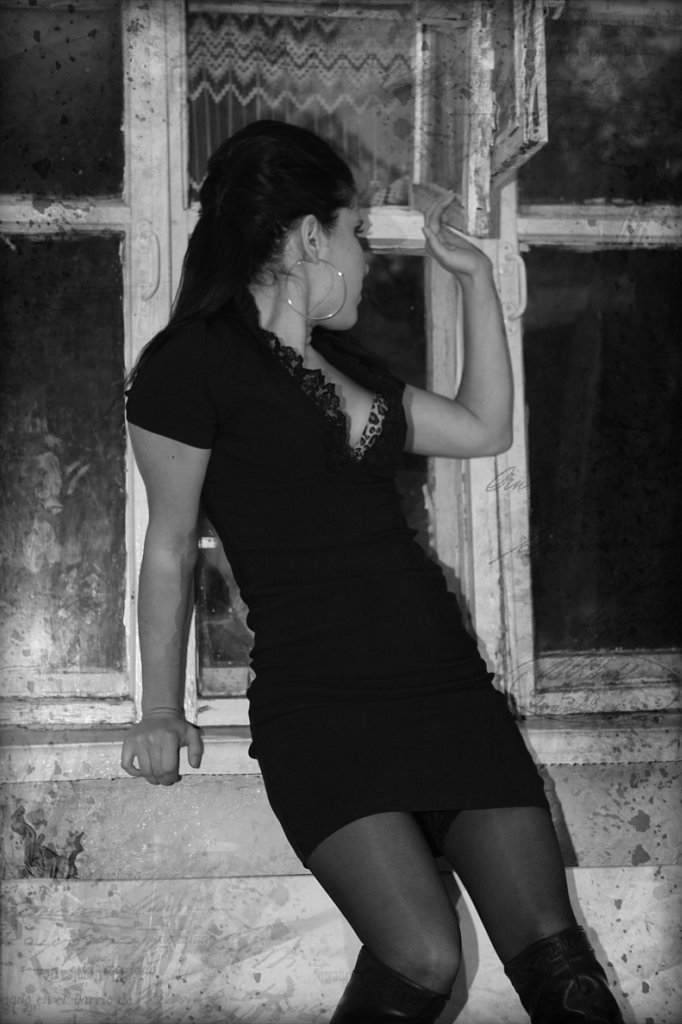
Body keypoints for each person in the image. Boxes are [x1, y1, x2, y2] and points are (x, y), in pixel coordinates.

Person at [121, 120, 625, 1023]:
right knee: (423, 958)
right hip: (323, 708)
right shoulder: (189, 365)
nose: (365, 255)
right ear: (308, 237)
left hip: (444, 685)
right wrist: (160, 708)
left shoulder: (348, 365)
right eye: (355, 232)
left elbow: (483, 428)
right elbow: (168, 545)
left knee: (570, 982)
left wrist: (474, 278)